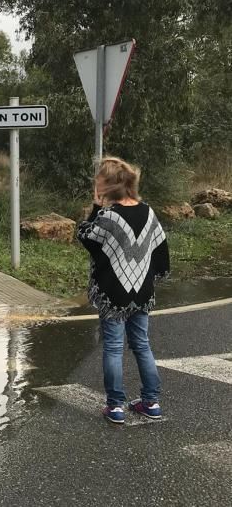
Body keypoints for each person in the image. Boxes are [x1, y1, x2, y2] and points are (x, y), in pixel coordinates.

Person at [76, 156, 170, 424]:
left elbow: (85, 236)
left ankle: (115, 406)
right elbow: (161, 252)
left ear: (108, 186)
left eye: (99, 180)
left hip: (112, 295)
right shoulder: (149, 212)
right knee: (142, 345)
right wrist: (149, 279)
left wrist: (95, 207)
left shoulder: (108, 217)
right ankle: (151, 402)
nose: (96, 183)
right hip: (142, 293)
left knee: (114, 348)